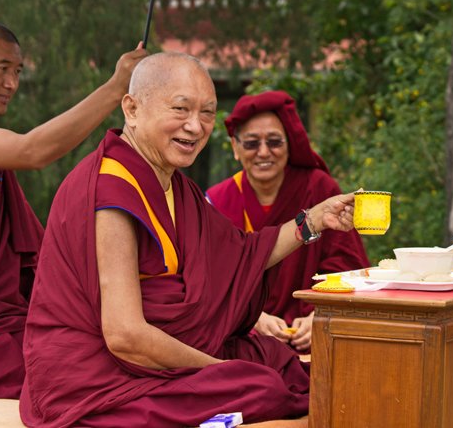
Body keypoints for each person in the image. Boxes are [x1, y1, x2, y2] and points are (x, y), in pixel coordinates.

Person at [19, 52, 356, 427]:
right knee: (260, 386)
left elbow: (243, 255)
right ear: (131, 109)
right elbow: (124, 336)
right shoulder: (111, 193)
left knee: (278, 362)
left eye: (208, 113)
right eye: (180, 109)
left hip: (157, 347)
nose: (195, 126)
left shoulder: (174, 186)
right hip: (93, 373)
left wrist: (313, 220)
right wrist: (221, 371)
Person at [0, 18, 145, 400]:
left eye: (18, 71)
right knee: (75, 381)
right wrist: (114, 90)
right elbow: (33, 151)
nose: (12, 84)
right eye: (2, 69)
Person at [206, 90, 369, 352]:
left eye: (274, 142)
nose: (263, 152)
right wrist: (252, 319)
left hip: (316, 334)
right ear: (235, 148)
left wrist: (322, 314)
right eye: (251, 143)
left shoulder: (319, 189)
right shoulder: (217, 201)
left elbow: (346, 268)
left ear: (289, 144)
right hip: (243, 336)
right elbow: (209, 282)